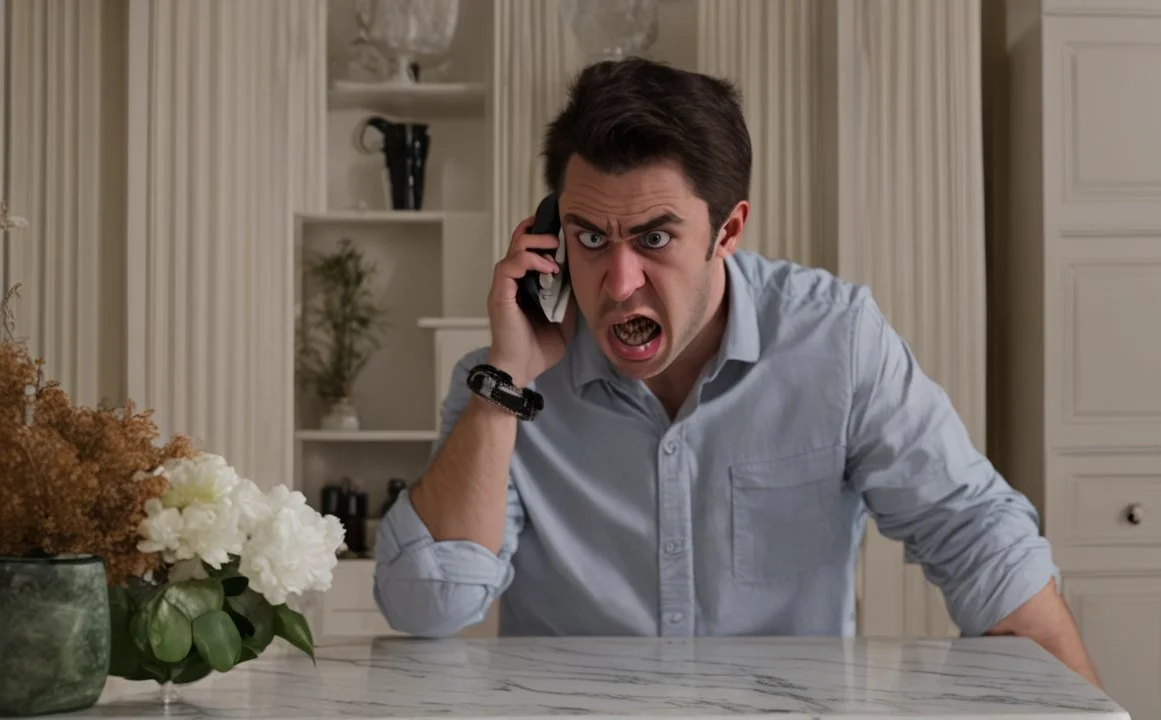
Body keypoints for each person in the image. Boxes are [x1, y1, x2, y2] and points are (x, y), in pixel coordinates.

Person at [372, 57, 1103, 689]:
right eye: (589, 237)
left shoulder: (836, 342)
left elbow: (976, 536)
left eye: (654, 237)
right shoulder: (504, 379)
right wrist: (507, 386)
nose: (619, 282)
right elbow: (425, 608)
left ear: (727, 229)